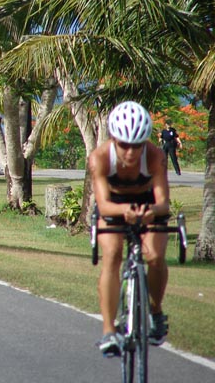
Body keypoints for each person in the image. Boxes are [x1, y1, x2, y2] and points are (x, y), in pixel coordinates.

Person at [88, 101, 170, 358]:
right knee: (112, 256)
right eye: (124, 144)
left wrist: (149, 213)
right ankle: (108, 331)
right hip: (113, 209)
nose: (131, 152)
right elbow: (103, 204)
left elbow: (163, 203)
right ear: (114, 139)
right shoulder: (99, 158)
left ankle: (155, 312)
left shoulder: (155, 156)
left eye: (137, 145)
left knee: (155, 257)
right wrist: (125, 213)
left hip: (148, 208)